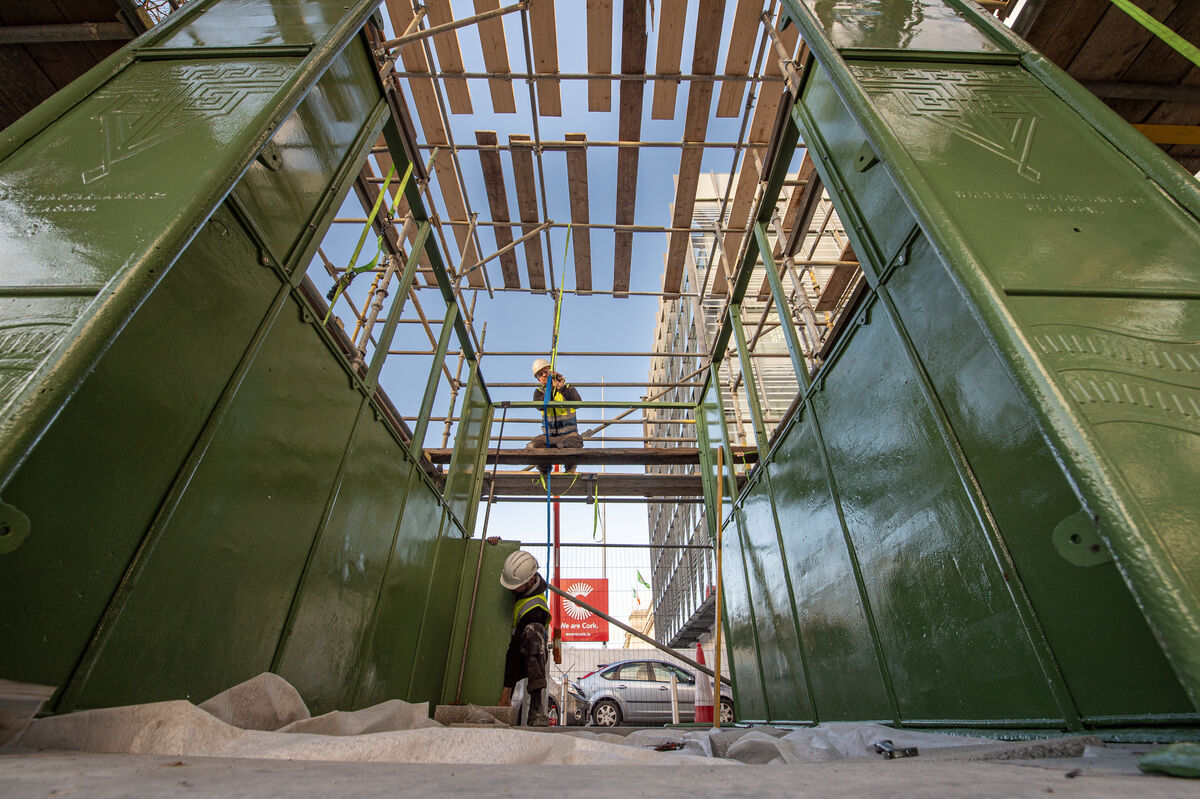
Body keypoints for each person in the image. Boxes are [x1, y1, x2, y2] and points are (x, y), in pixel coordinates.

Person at [498, 550, 551, 727]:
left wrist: (505, 692)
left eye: (516, 586)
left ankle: (537, 710)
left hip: (532, 654)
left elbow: (514, 650)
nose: (511, 589)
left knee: (532, 635)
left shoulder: (536, 609)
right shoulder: (521, 583)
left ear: (530, 581)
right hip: (515, 646)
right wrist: (495, 545)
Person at [526, 358, 583, 474]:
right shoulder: (539, 392)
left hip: (568, 436)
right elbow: (540, 406)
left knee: (576, 441)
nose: (544, 375)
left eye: (546, 371)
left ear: (552, 371)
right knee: (534, 445)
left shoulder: (568, 388)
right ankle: (545, 470)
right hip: (549, 438)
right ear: (538, 380)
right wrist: (551, 387)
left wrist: (561, 388)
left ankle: (570, 470)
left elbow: (577, 403)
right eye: (540, 375)